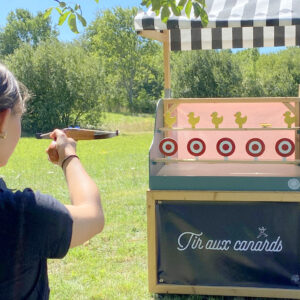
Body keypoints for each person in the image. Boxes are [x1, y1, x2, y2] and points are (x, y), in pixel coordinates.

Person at [0, 63, 104, 299]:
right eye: (20, 115)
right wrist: (69, 157)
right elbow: (93, 215)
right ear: (3, 119)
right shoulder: (22, 215)